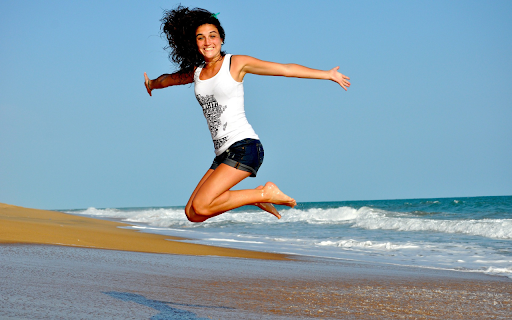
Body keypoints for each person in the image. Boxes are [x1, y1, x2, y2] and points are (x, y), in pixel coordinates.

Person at [144, 6, 350, 223]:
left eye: (212, 36)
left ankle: (263, 193)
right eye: (201, 38)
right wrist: (152, 84)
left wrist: (327, 74)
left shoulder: (235, 63)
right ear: (194, 43)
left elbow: (285, 69)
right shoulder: (197, 72)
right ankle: (255, 197)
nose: (208, 42)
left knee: (202, 205)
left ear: (221, 39)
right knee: (193, 213)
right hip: (223, 153)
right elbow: (168, 79)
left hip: (244, 147)